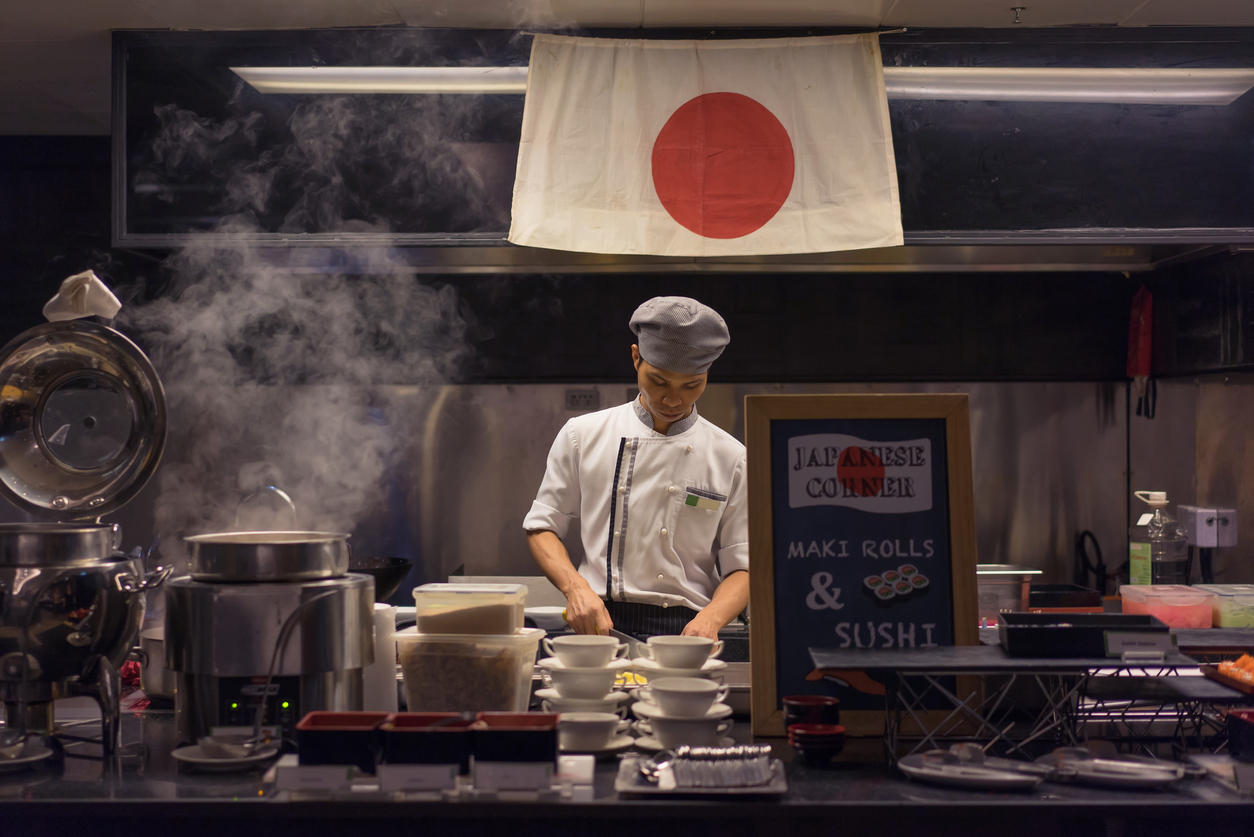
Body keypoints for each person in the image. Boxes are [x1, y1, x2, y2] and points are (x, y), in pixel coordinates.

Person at [524, 296, 748, 641]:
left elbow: (744, 565)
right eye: (659, 382)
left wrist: (712, 619)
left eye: (691, 386)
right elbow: (542, 527)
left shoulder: (731, 457)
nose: (674, 400)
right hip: (598, 624)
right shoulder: (582, 435)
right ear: (635, 357)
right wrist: (575, 588)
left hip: (688, 632)